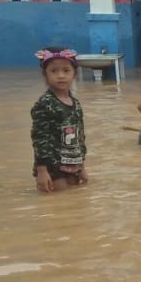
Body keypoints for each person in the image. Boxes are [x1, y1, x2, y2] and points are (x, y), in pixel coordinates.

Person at [30, 46, 88, 192]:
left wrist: (82, 167)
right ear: (45, 75)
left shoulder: (75, 104)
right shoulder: (45, 103)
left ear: (74, 74)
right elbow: (39, 138)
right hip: (53, 166)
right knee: (58, 201)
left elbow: (80, 137)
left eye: (66, 70)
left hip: (73, 164)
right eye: (54, 71)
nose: (61, 75)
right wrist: (42, 171)